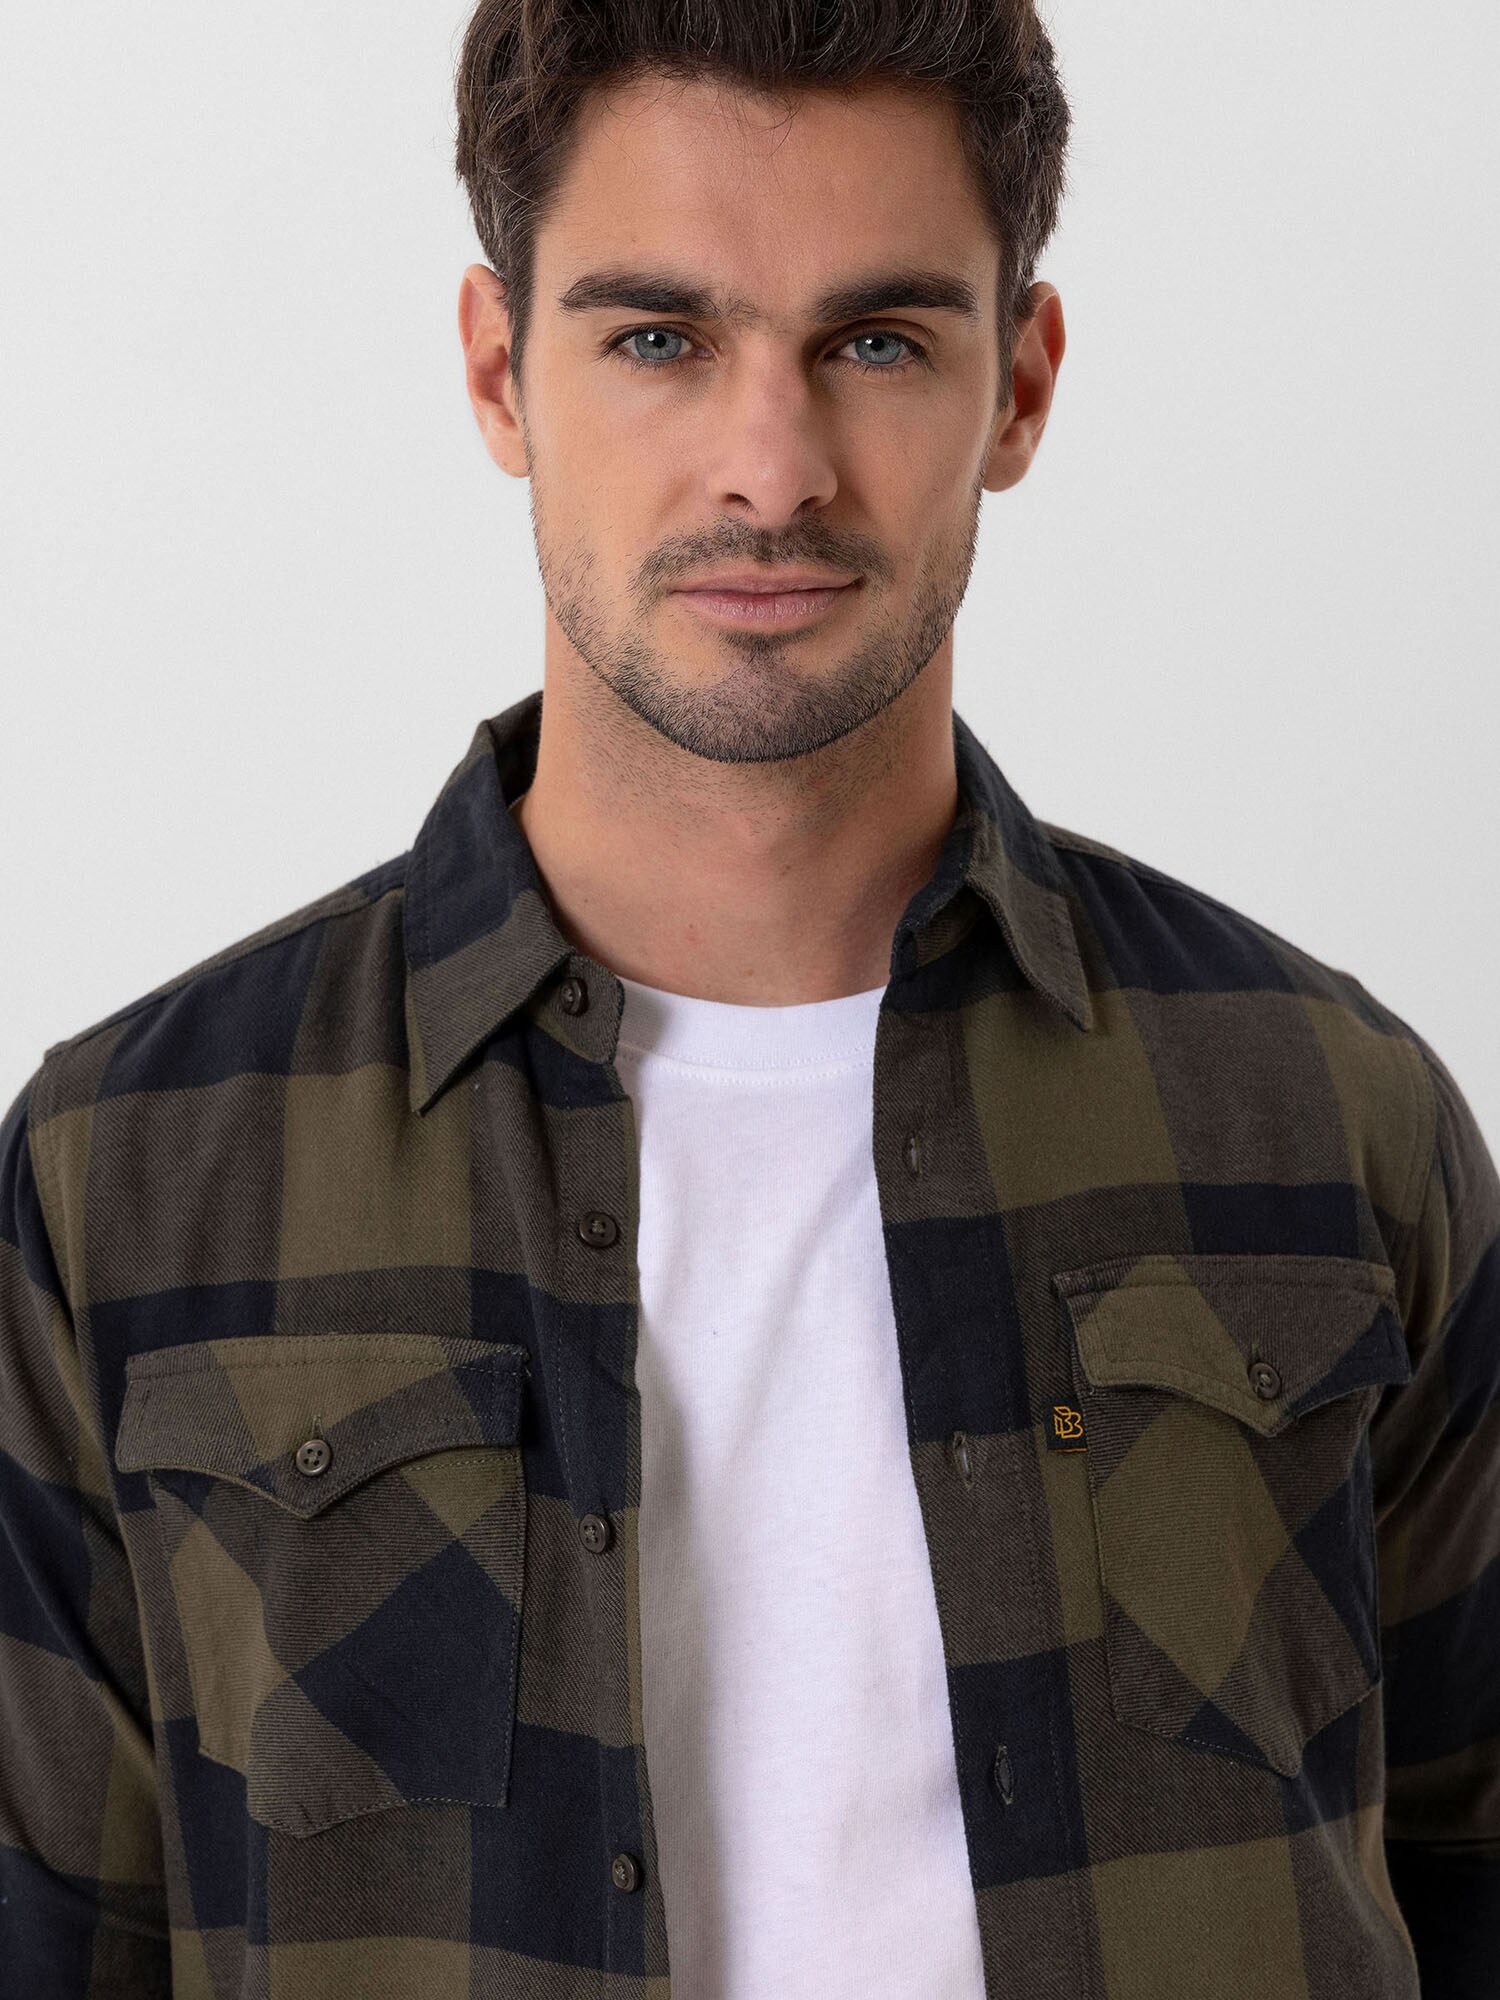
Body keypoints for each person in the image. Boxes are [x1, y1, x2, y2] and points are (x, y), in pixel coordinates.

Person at [2, 3, 1495, 1996]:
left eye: (876, 342)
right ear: (498, 370)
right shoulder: (133, 1175)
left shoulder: (1327, 1119)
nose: (772, 470)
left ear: (1021, 384)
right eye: (658, 338)